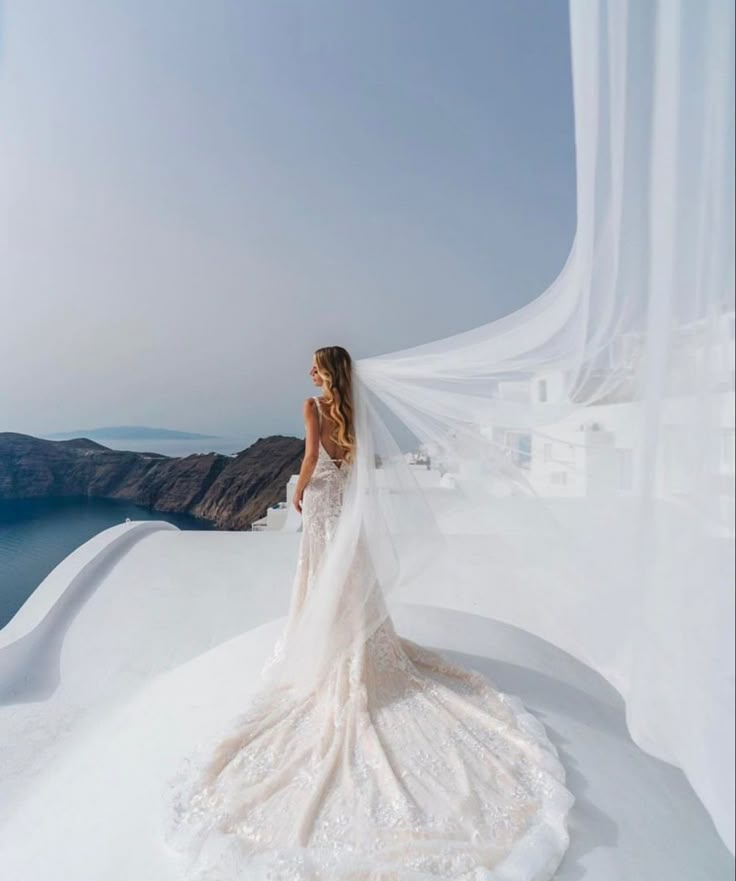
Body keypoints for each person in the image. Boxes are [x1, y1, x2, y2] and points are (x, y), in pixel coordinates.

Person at [162, 345, 575, 881]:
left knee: (319, 575)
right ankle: (354, 638)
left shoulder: (312, 408)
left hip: (324, 501)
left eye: (314, 365)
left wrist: (301, 494)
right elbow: (356, 462)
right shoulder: (356, 411)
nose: (308, 372)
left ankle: (324, 640)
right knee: (350, 574)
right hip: (348, 502)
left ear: (325, 372)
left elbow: (310, 459)